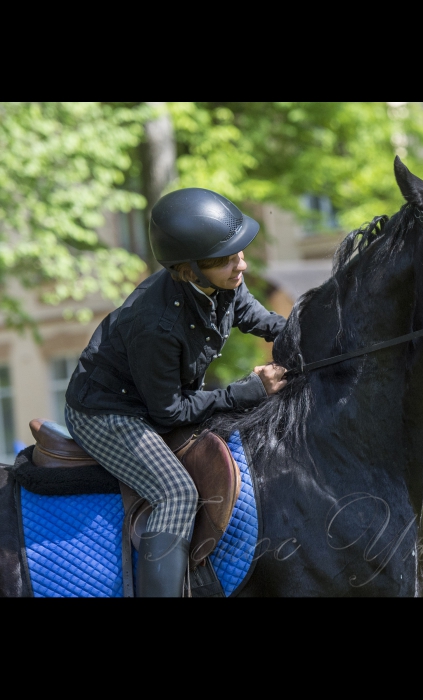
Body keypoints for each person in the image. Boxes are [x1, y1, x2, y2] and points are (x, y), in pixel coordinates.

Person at [63, 188, 288, 597]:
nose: (243, 263)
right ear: (189, 271)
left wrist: (306, 334)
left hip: (156, 400)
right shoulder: (156, 324)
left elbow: (256, 316)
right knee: (176, 493)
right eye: (229, 258)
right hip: (107, 412)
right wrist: (250, 390)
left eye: (240, 252)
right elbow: (169, 412)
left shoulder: (221, 283)